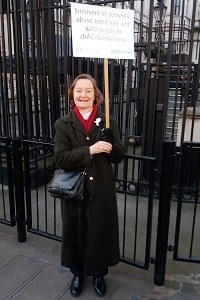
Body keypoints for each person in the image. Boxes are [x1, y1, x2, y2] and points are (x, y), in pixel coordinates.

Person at [53, 74, 125, 297]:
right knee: (76, 231)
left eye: (88, 91)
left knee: (99, 232)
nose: (83, 95)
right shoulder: (63, 123)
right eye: (78, 91)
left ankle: (99, 275)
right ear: (71, 95)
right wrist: (90, 150)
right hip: (75, 189)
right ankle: (78, 273)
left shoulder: (107, 121)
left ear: (96, 96)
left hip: (101, 187)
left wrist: (110, 140)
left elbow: (119, 156)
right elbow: (60, 158)